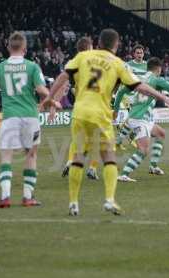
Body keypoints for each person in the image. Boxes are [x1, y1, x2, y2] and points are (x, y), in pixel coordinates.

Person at [40, 29, 169, 216]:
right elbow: (140, 87)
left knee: (79, 156)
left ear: (99, 43)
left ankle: (73, 202)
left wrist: (48, 97)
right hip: (100, 115)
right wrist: (165, 98)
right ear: (116, 44)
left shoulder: (84, 56)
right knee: (109, 156)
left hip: (79, 113)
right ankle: (109, 200)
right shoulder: (118, 63)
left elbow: (63, 76)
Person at [0, 32, 56, 208]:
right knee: (31, 155)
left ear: (8, 48)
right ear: (25, 49)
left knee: (6, 156)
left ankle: (5, 197)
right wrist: (52, 101)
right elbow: (41, 90)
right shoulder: (32, 66)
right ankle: (28, 197)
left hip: (10, 118)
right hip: (30, 117)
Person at [61, 36, 102, 180]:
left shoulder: (74, 63)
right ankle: (92, 168)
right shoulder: (97, 62)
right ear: (90, 47)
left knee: (77, 138)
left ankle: (70, 160)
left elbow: (65, 82)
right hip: (96, 106)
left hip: (79, 106)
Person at [115, 44, 148, 150]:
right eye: (137, 53)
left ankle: (123, 139)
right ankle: (128, 139)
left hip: (140, 96)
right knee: (135, 118)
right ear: (133, 54)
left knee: (134, 120)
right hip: (128, 95)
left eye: (141, 53)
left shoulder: (147, 65)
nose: (140, 54)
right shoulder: (128, 65)